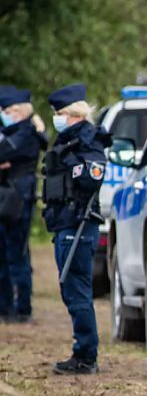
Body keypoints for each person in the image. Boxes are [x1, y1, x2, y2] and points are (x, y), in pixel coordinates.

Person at [43, 83, 110, 375]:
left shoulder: (87, 139)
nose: (56, 118)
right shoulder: (69, 139)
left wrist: (70, 164)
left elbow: (94, 175)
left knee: (77, 290)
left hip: (79, 223)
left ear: (72, 114)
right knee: (71, 290)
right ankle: (83, 352)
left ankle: (85, 357)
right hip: (66, 223)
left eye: (59, 113)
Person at [0, 87, 48, 323]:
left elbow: (5, 150)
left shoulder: (27, 132)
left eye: (8, 111)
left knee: (17, 253)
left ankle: (22, 309)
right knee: (5, 253)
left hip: (18, 198)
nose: (5, 114)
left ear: (19, 110)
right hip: (8, 195)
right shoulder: (12, 130)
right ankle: (6, 307)